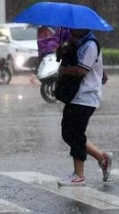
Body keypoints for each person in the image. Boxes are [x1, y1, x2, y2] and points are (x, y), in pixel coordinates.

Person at [56, 28, 112, 186]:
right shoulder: (78, 44)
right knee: (68, 133)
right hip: (75, 96)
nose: (71, 30)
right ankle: (103, 158)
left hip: (86, 97)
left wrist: (63, 70)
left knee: (75, 134)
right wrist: (62, 53)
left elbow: (82, 69)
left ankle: (79, 175)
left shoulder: (90, 45)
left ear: (83, 28)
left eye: (74, 28)